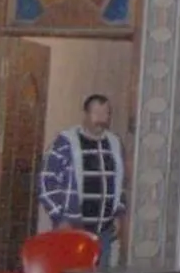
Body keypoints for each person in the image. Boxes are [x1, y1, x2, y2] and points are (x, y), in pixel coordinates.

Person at [40, 93, 126, 258]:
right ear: (85, 114)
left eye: (106, 113)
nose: (101, 119)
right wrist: (60, 216)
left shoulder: (114, 144)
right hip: (72, 229)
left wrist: (118, 214)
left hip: (104, 233)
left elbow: (119, 184)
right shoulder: (65, 143)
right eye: (96, 113)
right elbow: (46, 182)